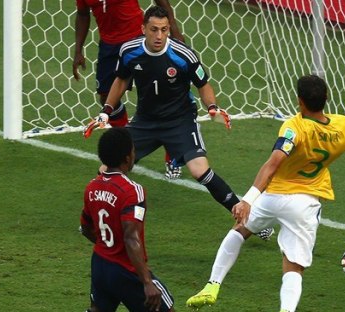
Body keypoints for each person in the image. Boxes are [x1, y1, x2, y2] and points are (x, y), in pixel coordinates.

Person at [83, 6, 274, 240]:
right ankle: (91, 222)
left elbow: (203, 84)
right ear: (143, 29)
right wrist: (106, 111)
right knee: (106, 168)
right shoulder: (129, 51)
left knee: (199, 170)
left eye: (164, 30)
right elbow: (121, 81)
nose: (159, 36)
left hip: (180, 121)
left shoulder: (183, 55)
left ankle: (250, 220)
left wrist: (212, 107)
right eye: (154, 30)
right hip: (145, 121)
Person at [186, 75, 345, 312]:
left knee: (240, 230)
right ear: (327, 98)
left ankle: (212, 286)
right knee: (293, 267)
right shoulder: (343, 127)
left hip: (273, 197)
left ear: (299, 101)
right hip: (305, 205)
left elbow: (272, 164)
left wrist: (248, 200)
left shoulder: (294, 128)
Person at [73, 0, 185, 179]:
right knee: (106, 97)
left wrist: (175, 31)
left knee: (159, 95)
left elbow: (161, 1)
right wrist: (78, 50)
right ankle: (127, 142)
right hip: (109, 46)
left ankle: (173, 155)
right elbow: (83, 14)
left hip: (138, 40)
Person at [80, 128, 175, 312]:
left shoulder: (91, 187)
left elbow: (85, 227)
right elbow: (131, 237)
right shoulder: (132, 191)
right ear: (127, 158)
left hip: (100, 263)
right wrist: (147, 282)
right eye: (133, 150)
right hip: (127, 270)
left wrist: (108, 246)